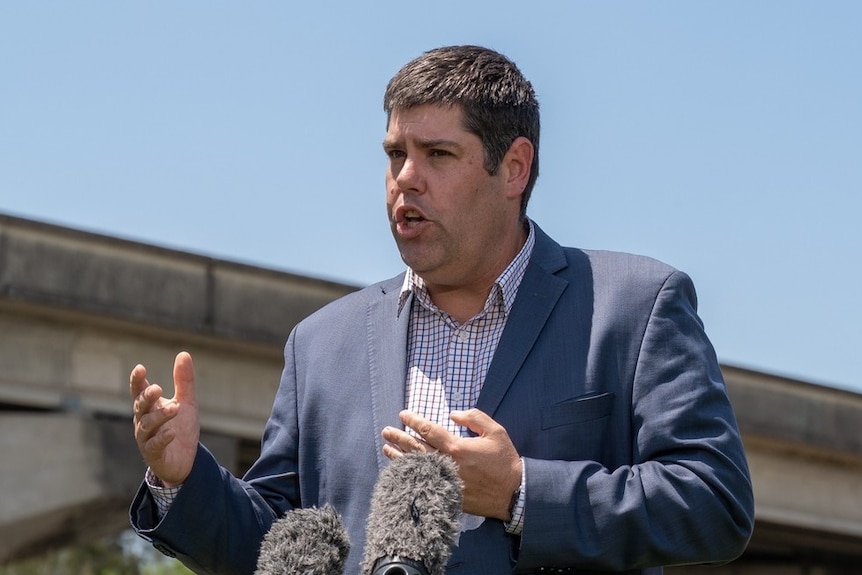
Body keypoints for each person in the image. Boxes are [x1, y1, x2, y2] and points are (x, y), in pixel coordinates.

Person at [130, 45, 754, 575]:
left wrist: (520, 493)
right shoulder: (321, 345)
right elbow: (274, 545)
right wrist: (185, 480)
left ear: (513, 168)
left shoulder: (635, 306)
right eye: (394, 154)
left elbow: (714, 500)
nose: (405, 177)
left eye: (438, 155)